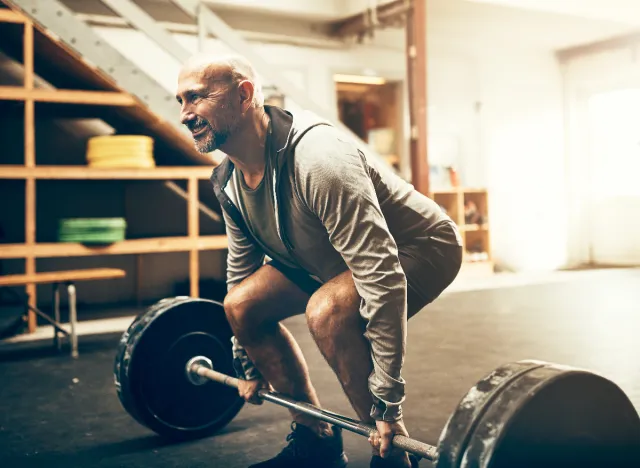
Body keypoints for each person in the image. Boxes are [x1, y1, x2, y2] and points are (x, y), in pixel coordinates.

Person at [175, 53, 463, 468]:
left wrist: (387, 403)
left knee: (328, 313)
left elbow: (379, 276)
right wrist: (245, 359)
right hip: (323, 256)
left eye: (196, 98)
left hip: (418, 246)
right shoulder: (227, 181)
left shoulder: (318, 158)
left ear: (244, 95)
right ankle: (316, 443)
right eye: (180, 101)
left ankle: (393, 456)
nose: (185, 114)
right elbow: (239, 275)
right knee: (240, 305)